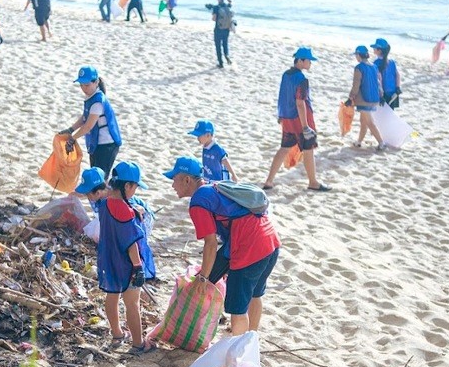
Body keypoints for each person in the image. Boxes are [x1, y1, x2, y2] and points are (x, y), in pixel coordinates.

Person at [165, 156, 281, 336]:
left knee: (237, 308)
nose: (172, 186)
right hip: (271, 242)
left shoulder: (198, 202)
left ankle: (239, 353)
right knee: (255, 294)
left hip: (250, 248)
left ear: (187, 179)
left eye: (174, 180)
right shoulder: (214, 186)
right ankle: (252, 338)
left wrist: (203, 278)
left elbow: (210, 244)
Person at [96, 161, 156, 353]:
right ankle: (139, 344)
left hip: (109, 259)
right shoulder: (123, 209)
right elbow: (130, 242)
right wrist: (138, 267)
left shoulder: (104, 204)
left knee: (112, 296)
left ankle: (117, 333)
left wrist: (132, 210)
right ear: (127, 185)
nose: (135, 192)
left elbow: (117, 217)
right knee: (132, 303)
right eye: (135, 187)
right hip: (127, 263)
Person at [262, 47, 332, 192]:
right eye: (309, 61)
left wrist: (280, 116)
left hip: (287, 118)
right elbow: (300, 103)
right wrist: (306, 126)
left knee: (284, 148)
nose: (310, 64)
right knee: (308, 150)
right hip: (300, 120)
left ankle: (269, 181)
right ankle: (313, 182)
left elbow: (282, 96)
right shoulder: (302, 79)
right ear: (300, 61)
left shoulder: (286, 75)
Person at [60, 66, 123, 176]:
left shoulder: (97, 102)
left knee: (100, 179)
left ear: (96, 82)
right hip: (97, 144)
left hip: (106, 145)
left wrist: (72, 139)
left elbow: (88, 126)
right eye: (81, 85)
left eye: (87, 85)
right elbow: (85, 117)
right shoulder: (91, 97)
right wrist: (71, 130)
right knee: (96, 176)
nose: (84, 88)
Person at [348, 45, 386, 150]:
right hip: (374, 98)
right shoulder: (374, 66)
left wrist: (350, 97)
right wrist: (381, 95)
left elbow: (356, 84)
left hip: (364, 99)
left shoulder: (359, 67)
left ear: (359, 55)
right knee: (363, 121)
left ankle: (381, 143)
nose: (356, 57)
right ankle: (359, 141)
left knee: (369, 122)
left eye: (356, 55)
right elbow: (378, 82)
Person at [371, 38, 402, 110]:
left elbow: (379, 79)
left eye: (375, 48)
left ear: (379, 50)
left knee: (381, 115)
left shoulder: (376, 63)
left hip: (384, 93)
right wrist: (398, 87)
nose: (373, 49)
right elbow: (397, 75)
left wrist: (381, 95)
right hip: (393, 92)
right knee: (390, 113)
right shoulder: (392, 62)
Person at [212, 0, 234, 68]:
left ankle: (220, 63)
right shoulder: (227, 6)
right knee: (225, 43)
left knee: (218, 46)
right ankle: (226, 55)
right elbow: (230, 2)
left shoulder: (216, 7)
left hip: (218, 29)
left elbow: (214, 19)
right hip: (226, 29)